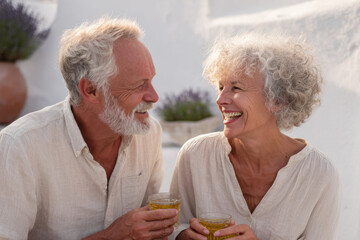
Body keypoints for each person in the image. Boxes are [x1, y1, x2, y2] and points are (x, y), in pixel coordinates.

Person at [0, 17, 178, 240]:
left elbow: (152, 229)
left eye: (151, 81)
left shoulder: (148, 133)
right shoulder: (19, 146)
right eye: (139, 85)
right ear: (91, 90)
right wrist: (112, 235)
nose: (154, 96)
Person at [170, 33, 341, 240]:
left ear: (278, 101)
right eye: (221, 87)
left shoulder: (319, 173)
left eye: (236, 88)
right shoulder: (195, 155)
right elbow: (173, 228)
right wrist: (182, 236)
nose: (220, 99)